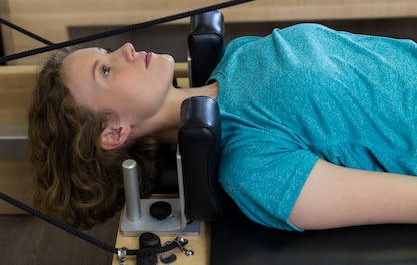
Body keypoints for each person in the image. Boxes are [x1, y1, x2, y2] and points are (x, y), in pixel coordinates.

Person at [28, 22, 417, 231]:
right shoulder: (252, 168)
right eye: (107, 70)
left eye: (107, 52)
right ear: (114, 132)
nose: (126, 49)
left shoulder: (236, 56)